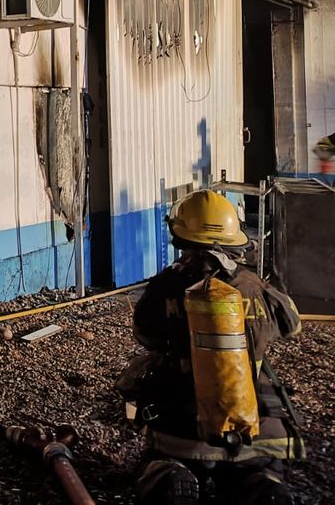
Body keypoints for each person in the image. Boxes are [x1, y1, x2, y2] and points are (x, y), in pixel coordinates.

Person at [120, 190, 304, 504]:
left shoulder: (165, 286)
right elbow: (293, 324)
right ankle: (262, 483)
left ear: (182, 238)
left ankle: (168, 473)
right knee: (259, 476)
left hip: (182, 432)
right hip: (257, 433)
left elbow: (145, 335)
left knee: (158, 466)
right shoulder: (255, 285)